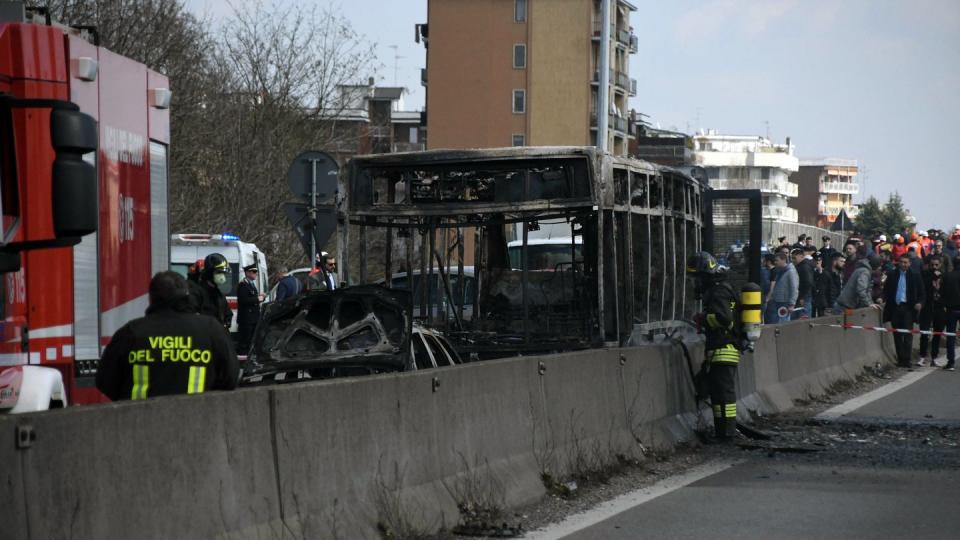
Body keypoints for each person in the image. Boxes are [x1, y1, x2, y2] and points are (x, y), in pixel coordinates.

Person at [96, 272, 238, 400]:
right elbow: (230, 377)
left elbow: (105, 380)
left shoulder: (132, 332)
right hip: (196, 420)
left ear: (151, 298)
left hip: (140, 422)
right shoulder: (211, 330)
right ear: (187, 296)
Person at [687, 251, 742, 442]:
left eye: (698, 278)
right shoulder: (723, 288)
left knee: (724, 396)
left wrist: (703, 319)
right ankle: (722, 432)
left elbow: (724, 318)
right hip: (721, 349)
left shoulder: (719, 291)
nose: (696, 283)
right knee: (718, 395)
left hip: (723, 348)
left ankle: (726, 433)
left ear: (706, 275)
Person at [883, 254, 925, 368]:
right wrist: (881, 298)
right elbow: (886, 290)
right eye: (901, 262)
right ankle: (900, 359)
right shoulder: (892, 274)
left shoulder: (915, 276)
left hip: (908, 309)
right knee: (897, 334)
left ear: (909, 263)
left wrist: (920, 303)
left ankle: (907, 359)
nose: (903, 264)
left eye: (906, 262)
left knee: (907, 334)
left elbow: (922, 293)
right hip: (895, 308)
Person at [188, 253, 233, 329]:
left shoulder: (218, 293)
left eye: (223, 273)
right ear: (210, 273)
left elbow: (227, 313)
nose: (222, 276)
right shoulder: (197, 293)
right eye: (219, 272)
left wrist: (226, 323)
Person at [917, 257, 947, 367]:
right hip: (927, 307)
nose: (934, 267)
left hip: (939, 308)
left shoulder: (944, 276)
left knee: (937, 333)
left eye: (936, 265)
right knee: (924, 333)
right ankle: (922, 356)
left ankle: (934, 357)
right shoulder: (925, 275)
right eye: (932, 265)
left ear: (940, 265)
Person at [236, 263, 264, 354]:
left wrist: (259, 297)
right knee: (245, 341)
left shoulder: (251, 284)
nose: (256, 273)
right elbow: (243, 300)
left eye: (256, 272)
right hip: (246, 319)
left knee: (252, 340)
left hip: (253, 318)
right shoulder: (243, 285)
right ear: (247, 273)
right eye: (254, 272)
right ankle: (242, 359)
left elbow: (251, 298)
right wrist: (257, 299)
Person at [940, 256, 960, 371]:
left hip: (951, 310)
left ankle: (951, 362)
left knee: (951, 336)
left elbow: (942, 293)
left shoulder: (947, 276)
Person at [767, 252, 798, 324]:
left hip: (785, 302)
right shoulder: (780, 271)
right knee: (779, 322)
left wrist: (792, 304)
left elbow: (794, 288)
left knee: (783, 322)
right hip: (778, 300)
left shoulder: (791, 272)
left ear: (783, 260)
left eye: (777, 260)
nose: (775, 262)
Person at [793, 248, 815, 319]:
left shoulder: (804, 267)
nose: (793, 260)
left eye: (794, 258)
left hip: (804, 296)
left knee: (804, 318)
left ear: (801, 256)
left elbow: (808, 282)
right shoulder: (800, 266)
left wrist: (802, 296)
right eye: (792, 258)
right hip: (801, 296)